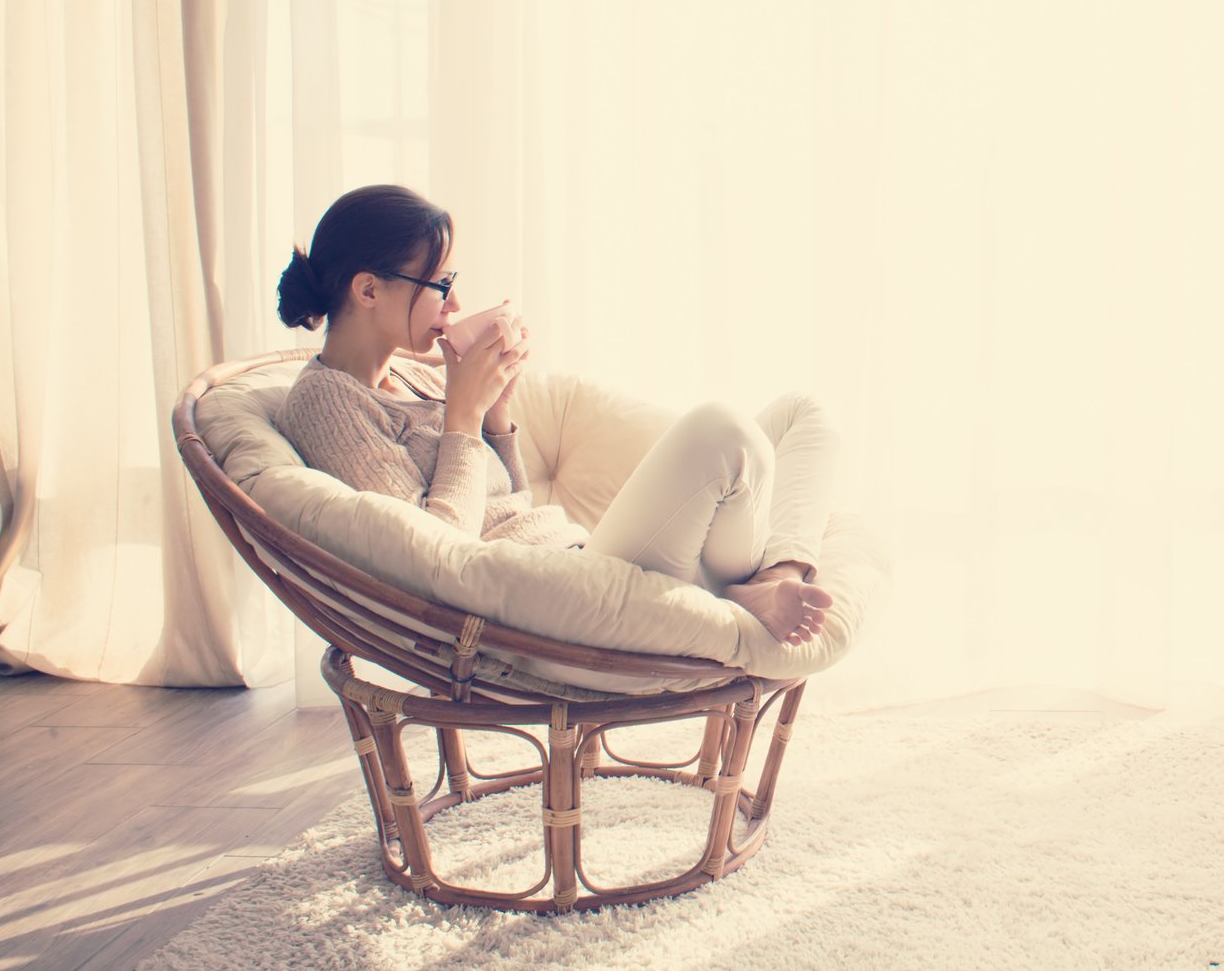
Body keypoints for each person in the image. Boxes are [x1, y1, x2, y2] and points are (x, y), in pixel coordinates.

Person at [272, 184, 835, 647]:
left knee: (801, 415)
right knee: (723, 432)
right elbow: (432, 559)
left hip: (577, 561)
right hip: (551, 612)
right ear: (369, 290)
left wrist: (496, 416)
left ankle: (770, 580)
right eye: (442, 285)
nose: (456, 306)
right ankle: (745, 588)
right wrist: (463, 417)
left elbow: (510, 507)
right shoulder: (327, 402)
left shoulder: (413, 376)